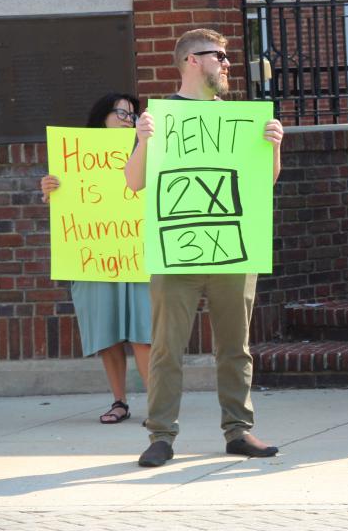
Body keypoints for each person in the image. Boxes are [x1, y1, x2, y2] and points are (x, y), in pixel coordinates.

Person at [124, 28, 285, 467]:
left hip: (232, 250)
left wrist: (273, 148)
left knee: (236, 345)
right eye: (220, 56)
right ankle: (161, 435)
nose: (228, 64)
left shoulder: (238, 119)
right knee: (166, 347)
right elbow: (134, 182)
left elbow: (262, 184)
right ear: (192, 61)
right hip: (176, 251)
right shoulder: (158, 119)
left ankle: (239, 430)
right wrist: (141, 142)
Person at [41, 93, 151, 425]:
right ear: (101, 115)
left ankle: (158, 405)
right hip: (95, 256)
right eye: (121, 112)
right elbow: (68, 205)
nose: (127, 119)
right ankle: (119, 401)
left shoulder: (144, 150)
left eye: (133, 115)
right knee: (107, 333)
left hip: (136, 254)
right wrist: (50, 190)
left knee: (143, 332)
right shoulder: (76, 155)